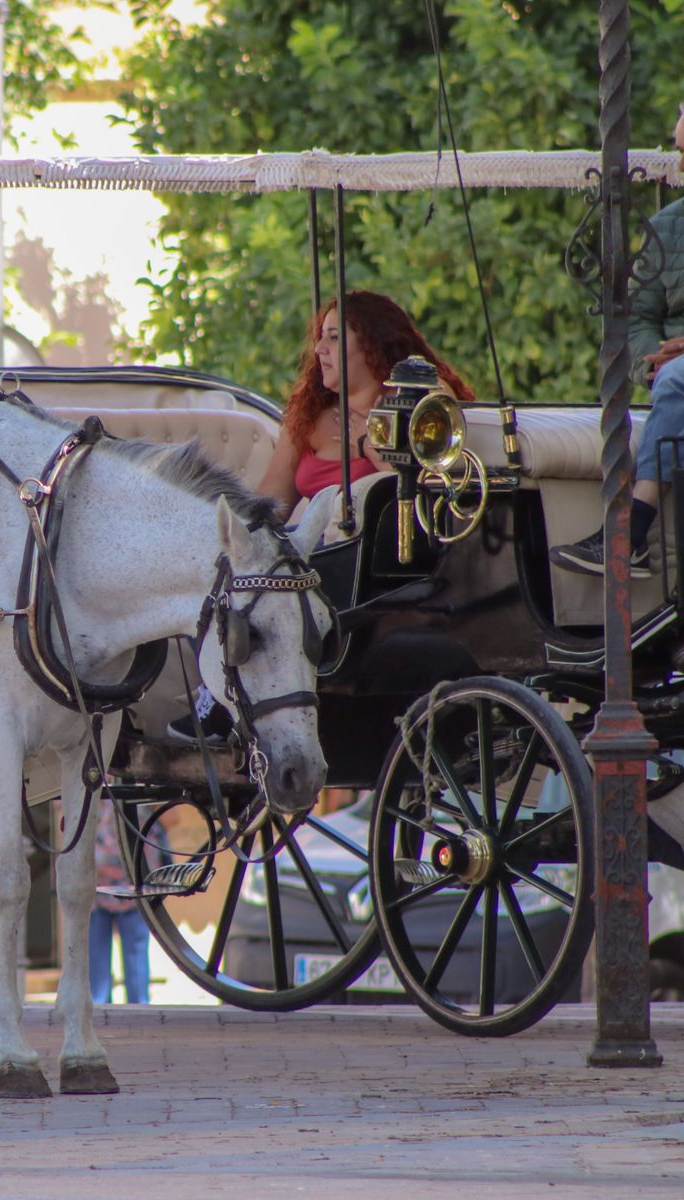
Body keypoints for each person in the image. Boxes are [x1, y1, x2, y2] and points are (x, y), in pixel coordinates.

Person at [169, 290, 474, 745]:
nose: (320, 350)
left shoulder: (421, 400)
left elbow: (428, 485)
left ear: (371, 343)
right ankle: (219, 697)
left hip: (396, 561)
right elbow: (271, 503)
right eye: (320, 337)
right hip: (319, 561)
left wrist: (366, 444)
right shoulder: (309, 416)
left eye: (334, 337)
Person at [550, 104, 684, 579]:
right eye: (680, 150)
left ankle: (630, 532)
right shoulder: (668, 225)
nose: (683, 164)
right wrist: (651, 365)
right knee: (671, 380)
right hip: (672, 378)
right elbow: (638, 319)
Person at [89, 819, 150, 1005]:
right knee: (97, 955)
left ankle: (139, 1007)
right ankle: (100, 1006)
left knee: (135, 956)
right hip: (98, 888)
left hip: (133, 886)